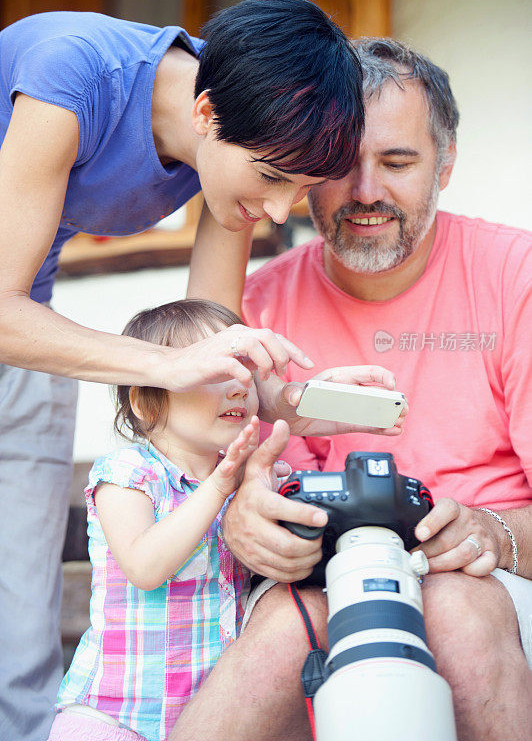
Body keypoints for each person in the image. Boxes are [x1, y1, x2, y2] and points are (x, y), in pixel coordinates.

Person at [0, 0, 366, 740]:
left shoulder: (235, 118)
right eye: (271, 178)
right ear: (204, 116)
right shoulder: (69, 77)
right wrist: (167, 368)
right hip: (11, 312)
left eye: (298, 190)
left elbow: (206, 346)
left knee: (21, 625)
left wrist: (290, 402)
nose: (276, 212)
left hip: (29, 328)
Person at [173, 39, 532, 741]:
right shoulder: (260, 303)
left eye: (397, 162)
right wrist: (243, 523)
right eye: (339, 167)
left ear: (446, 164)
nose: (366, 191)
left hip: (488, 582)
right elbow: (220, 484)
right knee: (284, 628)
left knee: (458, 607)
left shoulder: (516, 277)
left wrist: (495, 534)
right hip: (319, 582)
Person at [45, 298, 403, 741]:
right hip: (114, 713)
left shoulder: (250, 474)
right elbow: (143, 566)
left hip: (210, 714)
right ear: (145, 402)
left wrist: (319, 405)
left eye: (246, 375)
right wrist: (219, 486)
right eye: (216, 376)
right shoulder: (128, 473)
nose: (239, 389)